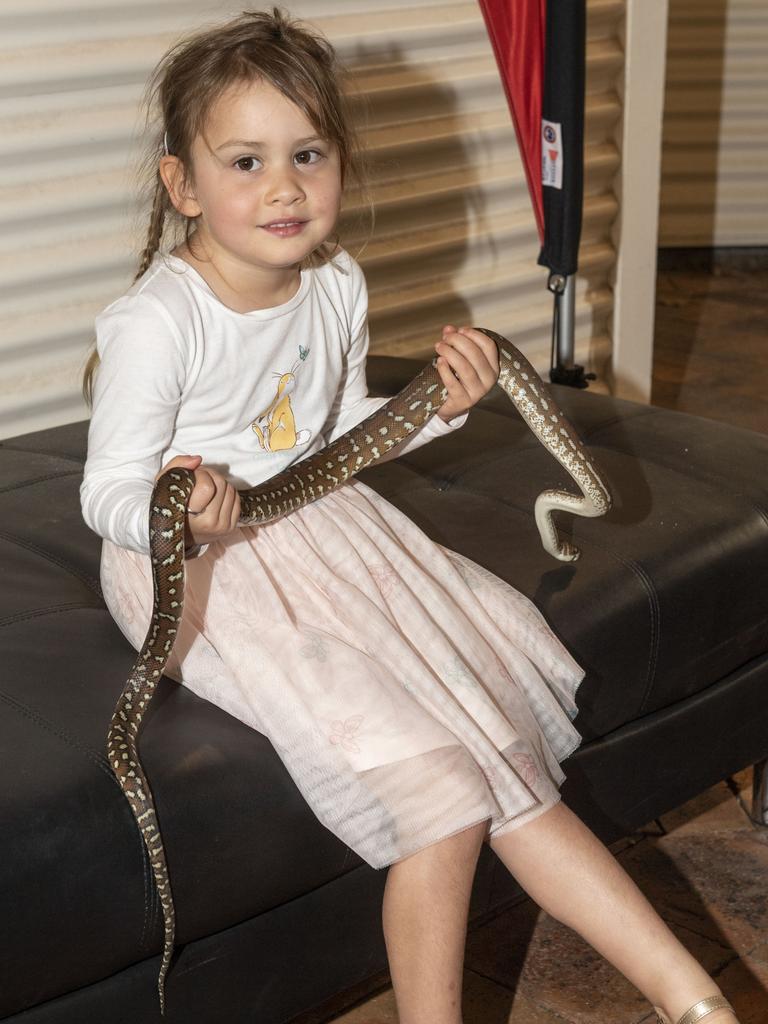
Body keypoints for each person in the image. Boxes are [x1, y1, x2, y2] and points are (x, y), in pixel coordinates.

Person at [79, 9, 737, 1024]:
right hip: (210, 571)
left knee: (505, 760)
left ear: (340, 160)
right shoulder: (156, 321)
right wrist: (182, 511)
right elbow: (107, 490)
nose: (284, 186)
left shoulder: (335, 281)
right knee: (442, 794)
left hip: (327, 530)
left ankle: (693, 998)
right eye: (245, 161)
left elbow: (337, 428)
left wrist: (439, 406)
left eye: (307, 153)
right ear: (182, 186)